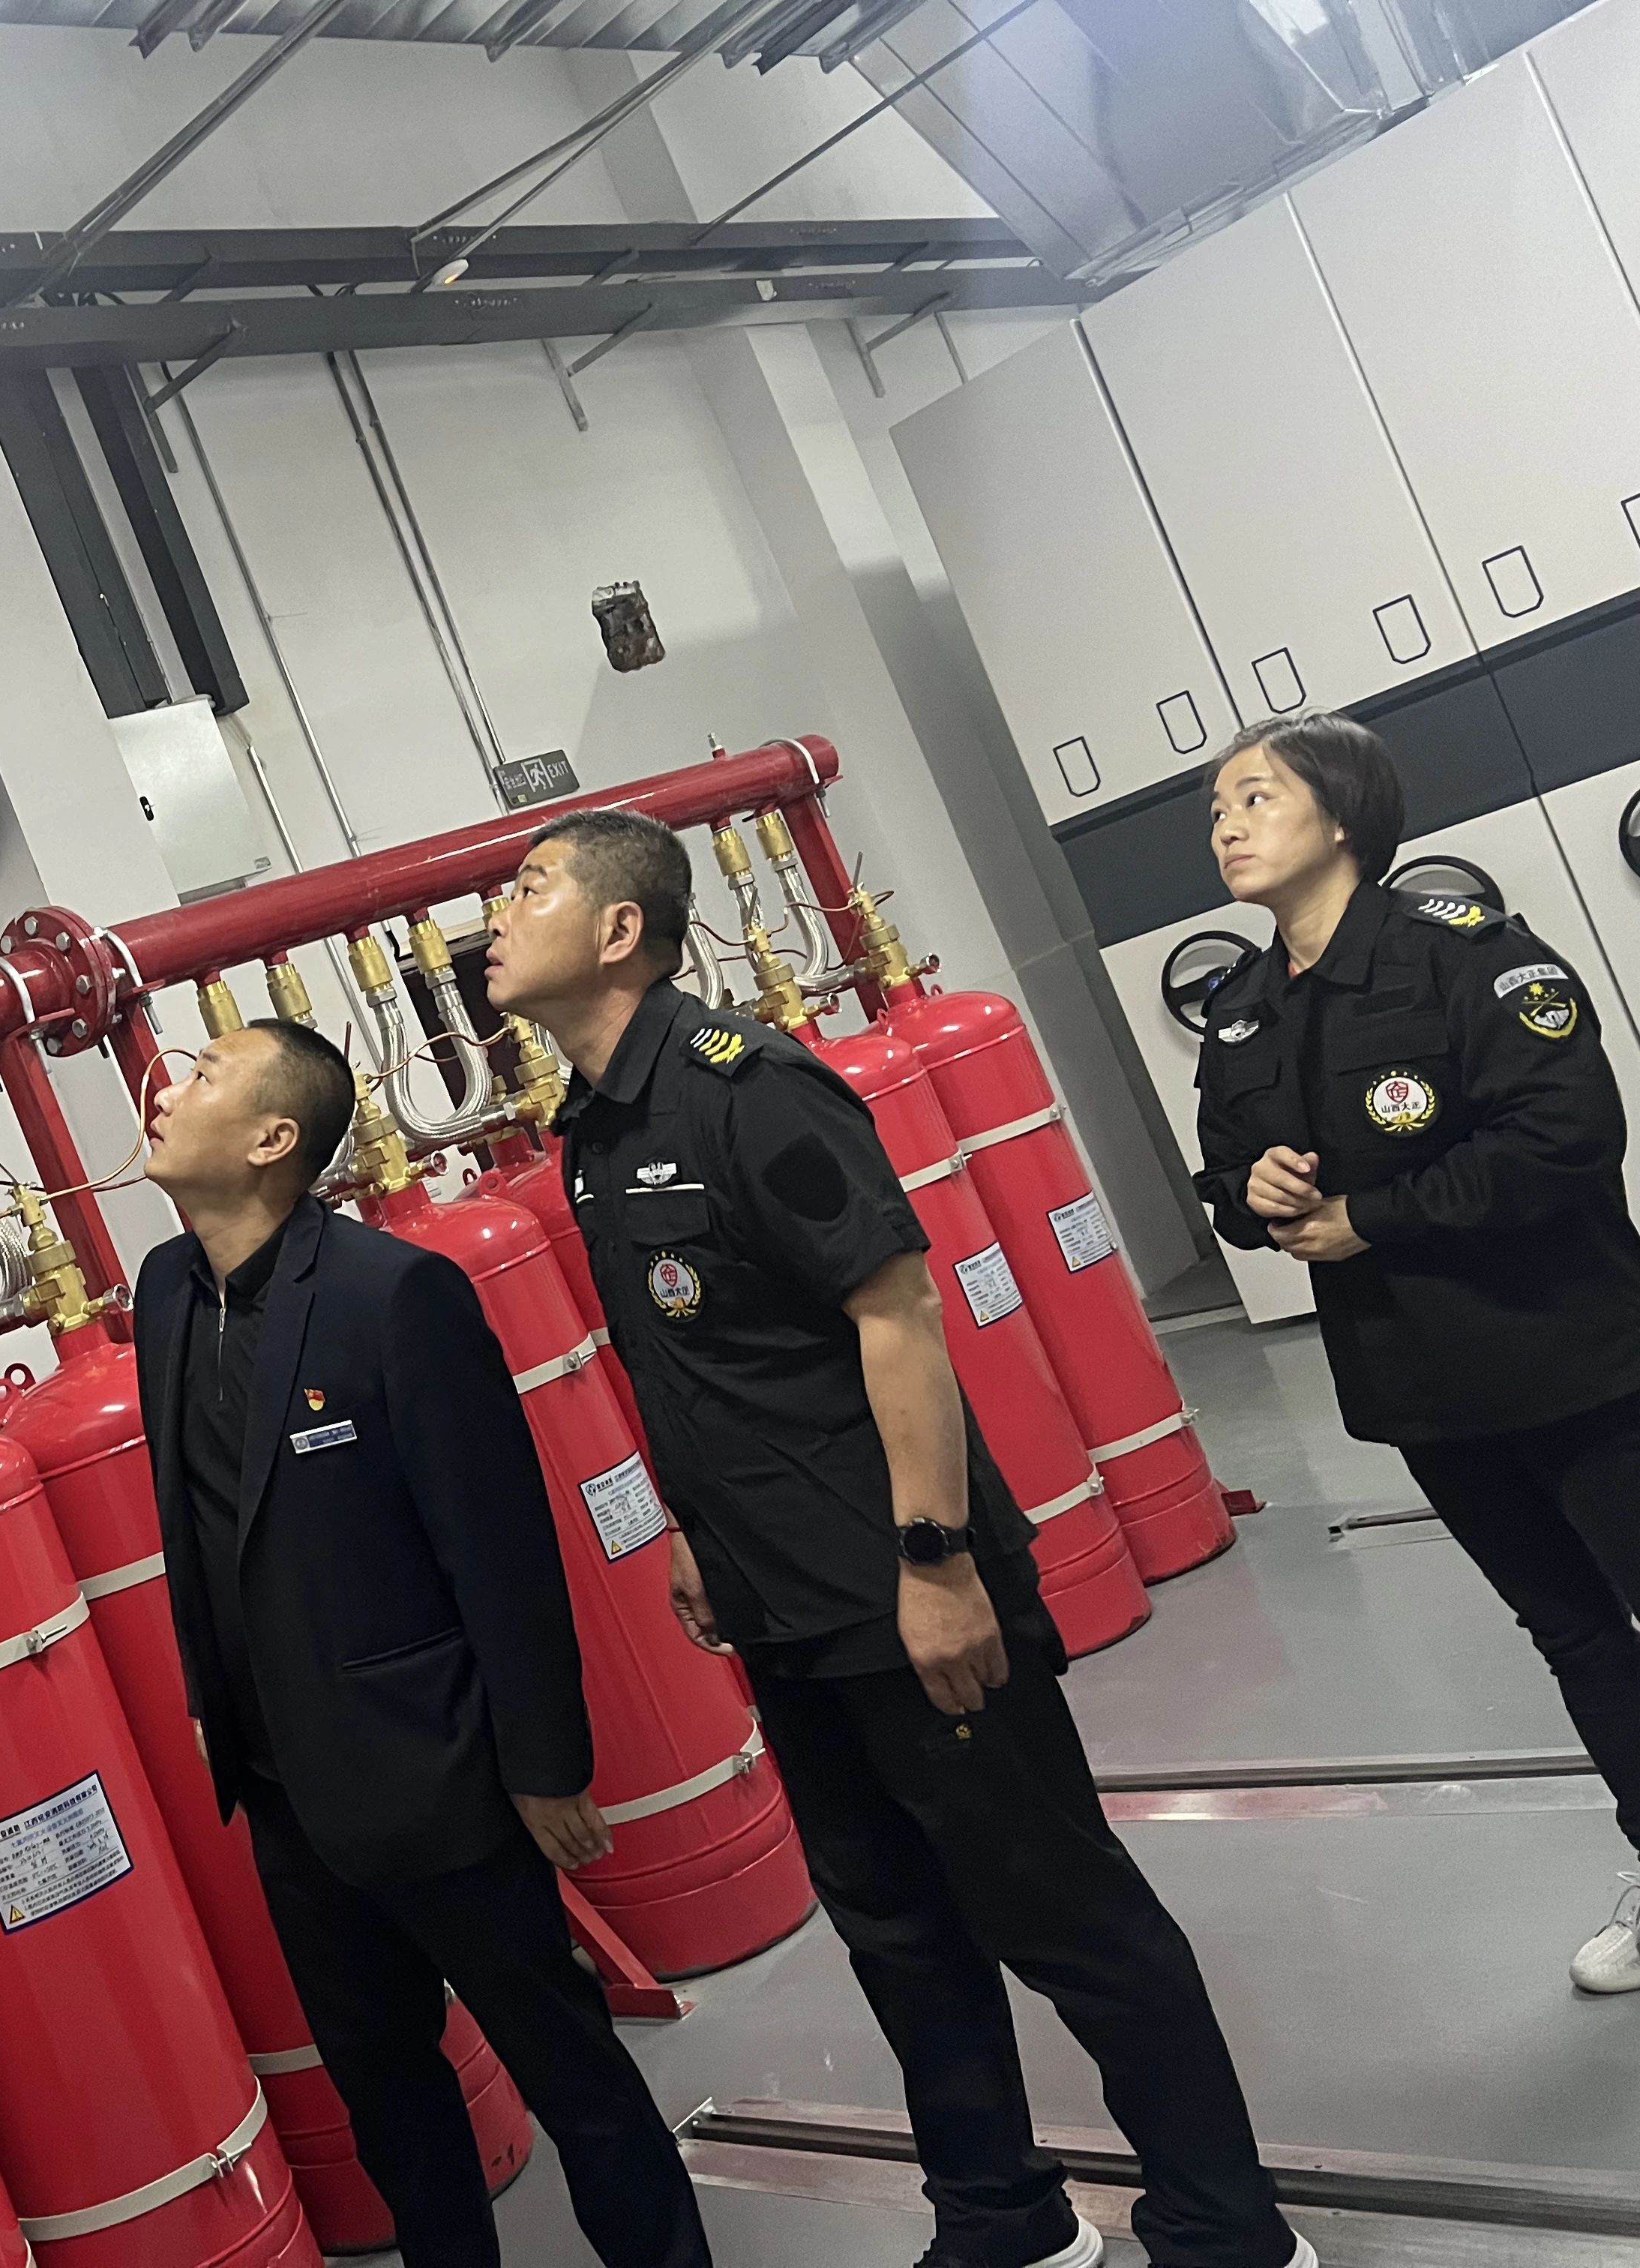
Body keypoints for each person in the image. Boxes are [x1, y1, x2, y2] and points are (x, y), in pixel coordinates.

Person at [486, 808, 1309, 2268]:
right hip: (778, 1602)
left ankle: (1230, 2230)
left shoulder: (750, 1088)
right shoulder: (595, 1134)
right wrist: (691, 1527)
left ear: (618, 931)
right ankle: (1001, 2218)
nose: (497, 917)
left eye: (531, 888)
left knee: (1065, 1918)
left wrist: (936, 1562)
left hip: (898, 1588)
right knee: (897, 1933)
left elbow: (900, 1315)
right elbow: (706, 1361)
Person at [134, 1018, 712, 2268]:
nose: (167, 1091)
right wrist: (210, 1694)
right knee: (390, 2100)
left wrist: (544, 1764)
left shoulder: (392, 1296)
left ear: (273, 1138)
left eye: (205, 1076)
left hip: (436, 1775)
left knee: (570, 2073)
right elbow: (199, 1521)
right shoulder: (167, 1292)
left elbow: (498, 1543)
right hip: (284, 1790)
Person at [1194, 712, 1640, 1995]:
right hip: (1429, 1393)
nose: (1226, 825)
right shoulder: (1241, 1013)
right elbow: (1225, 1176)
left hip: (1582, 1365)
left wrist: (1372, 1217)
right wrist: (1254, 1197)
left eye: (1256, 797)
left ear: (1342, 818)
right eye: (1217, 808)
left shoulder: (1465, 955)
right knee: (1575, 1635)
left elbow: (1566, 1136)